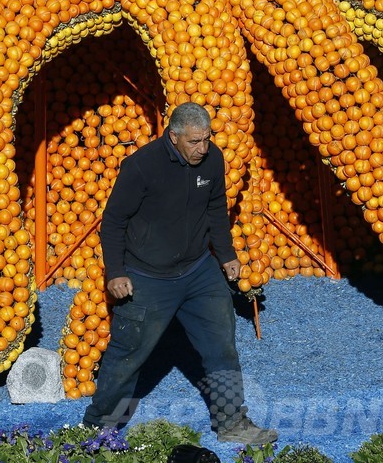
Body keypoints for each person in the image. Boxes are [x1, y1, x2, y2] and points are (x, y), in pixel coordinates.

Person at [82, 101, 277, 446]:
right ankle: (98, 429)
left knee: (221, 347)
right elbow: (113, 222)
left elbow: (216, 209)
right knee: (127, 356)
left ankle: (232, 422)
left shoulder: (212, 160)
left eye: (207, 139)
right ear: (173, 137)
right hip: (147, 276)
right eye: (194, 141)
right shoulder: (141, 167)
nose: (203, 148)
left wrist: (226, 255)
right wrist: (115, 272)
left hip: (199, 270)